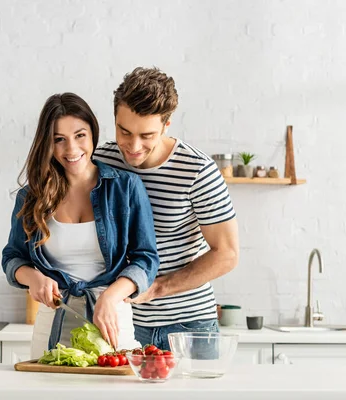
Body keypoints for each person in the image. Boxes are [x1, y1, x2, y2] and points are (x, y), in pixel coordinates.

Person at [2, 92, 159, 358]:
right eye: (59, 140)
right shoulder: (30, 197)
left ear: (93, 134)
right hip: (52, 324)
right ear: (47, 144)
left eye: (80, 135)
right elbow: (12, 257)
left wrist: (110, 297)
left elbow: (146, 259)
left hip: (112, 322)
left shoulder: (125, 188)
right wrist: (33, 277)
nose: (72, 149)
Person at [93, 67, 239, 351]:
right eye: (124, 131)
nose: (133, 146)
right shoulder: (102, 160)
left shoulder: (197, 170)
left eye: (147, 135)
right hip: (120, 322)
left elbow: (227, 254)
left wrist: (158, 287)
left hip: (188, 326)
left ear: (166, 125)